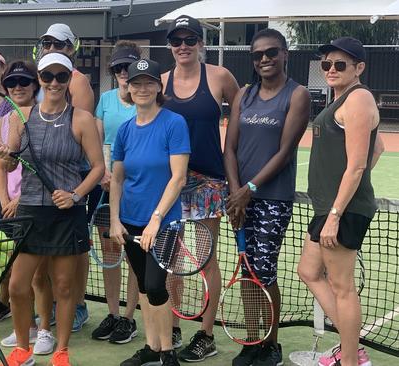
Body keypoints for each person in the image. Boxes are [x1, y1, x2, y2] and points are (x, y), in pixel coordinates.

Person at [0, 52, 104, 366]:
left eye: (61, 76)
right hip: (30, 210)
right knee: (17, 286)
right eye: (48, 76)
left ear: (69, 79)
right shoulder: (21, 117)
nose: (54, 83)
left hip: (66, 213)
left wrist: (76, 194)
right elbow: (12, 161)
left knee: (64, 286)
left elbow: (97, 168)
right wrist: (5, 155)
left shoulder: (81, 119)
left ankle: (61, 351)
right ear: (40, 79)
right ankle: (23, 350)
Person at [223, 29, 310, 366]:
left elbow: (285, 151)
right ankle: (252, 338)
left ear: (285, 53)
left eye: (271, 52)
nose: (264, 60)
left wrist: (250, 189)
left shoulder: (297, 95)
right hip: (240, 199)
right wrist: (235, 192)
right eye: (258, 55)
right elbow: (229, 148)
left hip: (271, 198)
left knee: (265, 270)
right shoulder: (244, 95)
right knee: (245, 270)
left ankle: (271, 343)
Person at [298, 37, 383, 366]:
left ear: (359, 68)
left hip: (341, 211)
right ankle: (352, 347)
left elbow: (359, 164)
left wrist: (336, 212)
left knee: (342, 287)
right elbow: (377, 150)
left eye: (340, 65)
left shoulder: (358, 99)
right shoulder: (341, 100)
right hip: (330, 207)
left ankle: (350, 360)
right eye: (326, 64)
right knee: (308, 270)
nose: (331, 69)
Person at [160, 15, 239, 358]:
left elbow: (241, 120)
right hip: (169, 184)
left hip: (209, 182)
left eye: (189, 39)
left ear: (201, 43)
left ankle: (205, 335)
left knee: (206, 258)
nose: (183, 46)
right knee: (170, 259)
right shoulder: (160, 81)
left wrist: (237, 175)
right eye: (176, 41)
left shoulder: (220, 77)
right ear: (170, 46)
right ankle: (174, 325)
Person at [109, 59, 190, 366]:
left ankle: (168, 351)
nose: (142, 89)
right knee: (143, 284)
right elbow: (117, 178)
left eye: (148, 83)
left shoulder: (173, 123)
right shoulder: (126, 130)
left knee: (156, 285)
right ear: (128, 88)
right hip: (129, 220)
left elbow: (178, 178)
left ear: (159, 87)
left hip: (164, 223)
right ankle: (151, 347)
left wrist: (156, 219)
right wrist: (115, 220)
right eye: (136, 83)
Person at [0, 60, 58, 355]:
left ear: (35, 85)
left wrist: (22, 199)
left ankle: (44, 330)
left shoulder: (46, 118)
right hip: (11, 208)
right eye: (12, 84)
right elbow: (2, 166)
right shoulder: (2, 122)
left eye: (24, 82)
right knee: (17, 275)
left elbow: (48, 168)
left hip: (38, 204)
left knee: (38, 275)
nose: (18, 88)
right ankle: (26, 327)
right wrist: (6, 199)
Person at [37, 22, 96, 333]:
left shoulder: (77, 79)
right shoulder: (46, 76)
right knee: (49, 248)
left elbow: (78, 129)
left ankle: (78, 305)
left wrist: (75, 190)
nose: (52, 48)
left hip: (74, 174)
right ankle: (54, 307)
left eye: (58, 44)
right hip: (47, 175)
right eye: (47, 43)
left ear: (71, 47)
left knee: (76, 248)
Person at [90, 41, 140, 345]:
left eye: (129, 67)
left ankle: (129, 317)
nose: (124, 73)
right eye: (119, 68)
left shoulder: (146, 100)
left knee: (135, 255)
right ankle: (112, 312)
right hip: (106, 187)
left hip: (136, 189)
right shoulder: (105, 100)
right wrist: (104, 174)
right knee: (111, 253)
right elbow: (96, 142)